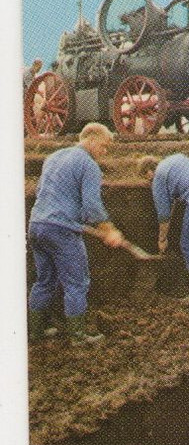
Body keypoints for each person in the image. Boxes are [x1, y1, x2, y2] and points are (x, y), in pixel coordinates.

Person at [27, 122, 124, 344]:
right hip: (61, 230)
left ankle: (35, 332)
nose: (104, 152)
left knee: (44, 281)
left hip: (37, 225)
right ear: (91, 139)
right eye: (104, 146)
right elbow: (92, 206)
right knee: (77, 283)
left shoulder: (54, 157)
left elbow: (41, 191)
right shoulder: (88, 165)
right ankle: (78, 336)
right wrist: (109, 230)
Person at [138, 152, 189, 300]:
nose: (149, 182)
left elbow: (164, 215)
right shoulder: (175, 158)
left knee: (187, 243)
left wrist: (162, 239)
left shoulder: (158, 178)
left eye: (147, 178)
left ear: (149, 172)